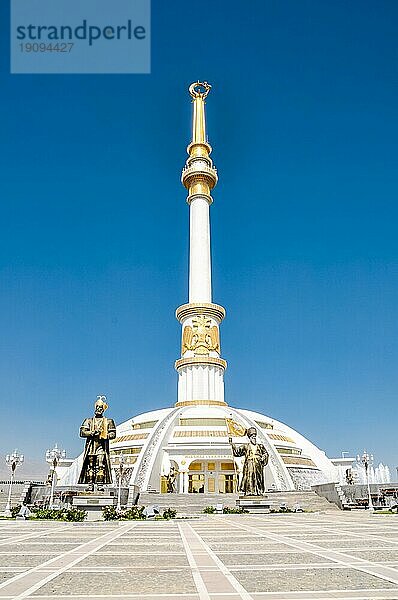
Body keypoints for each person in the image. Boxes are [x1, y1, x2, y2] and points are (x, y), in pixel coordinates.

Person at [78, 396, 116, 491]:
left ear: (103, 410)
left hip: (101, 447)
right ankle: (90, 484)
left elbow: (113, 434)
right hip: (91, 447)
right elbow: (82, 432)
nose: (98, 409)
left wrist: (105, 435)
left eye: (100, 408)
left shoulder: (108, 421)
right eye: (97, 407)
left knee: (100, 464)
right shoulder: (89, 421)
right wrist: (92, 433)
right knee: (90, 466)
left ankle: (100, 484)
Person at [229, 426, 269, 496]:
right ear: (249, 438)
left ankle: (258, 491)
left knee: (258, 478)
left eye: (254, 436)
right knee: (250, 477)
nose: (253, 437)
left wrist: (263, 457)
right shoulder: (245, 446)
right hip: (249, 464)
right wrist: (232, 444)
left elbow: (266, 453)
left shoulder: (260, 446)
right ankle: (249, 491)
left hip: (258, 464)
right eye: (252, 436)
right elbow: (237, 452)